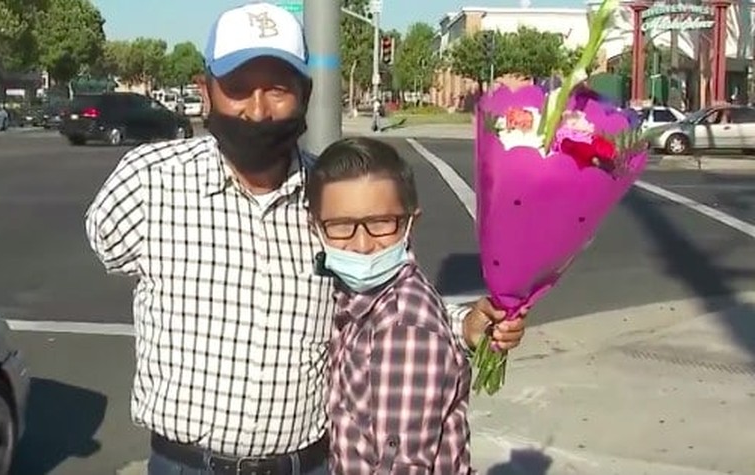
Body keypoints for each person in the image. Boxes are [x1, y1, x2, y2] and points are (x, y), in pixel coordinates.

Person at [84, 3, 526, 474]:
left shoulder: (335, 198)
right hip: (184, 465)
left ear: (305, 94)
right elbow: (107, 245)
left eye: (277, 89)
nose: (257, 110)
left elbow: (385, 292)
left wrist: (462, 325)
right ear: (205, 91)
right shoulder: (147, 183)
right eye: (237, 89)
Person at [307, 137, 472, 474]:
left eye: (382, 223)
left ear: (412, 222)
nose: (363, 244)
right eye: (341, 227)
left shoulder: (404, 331)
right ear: (317, 228)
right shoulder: (360, 296)